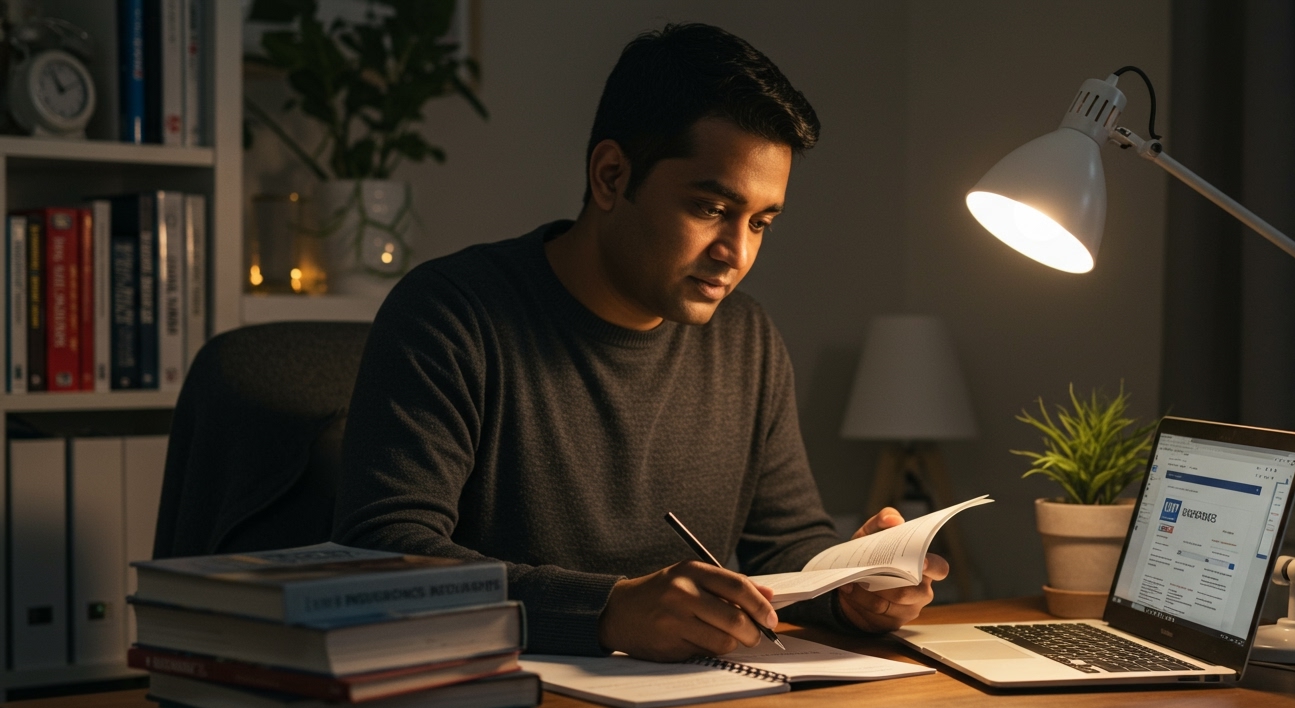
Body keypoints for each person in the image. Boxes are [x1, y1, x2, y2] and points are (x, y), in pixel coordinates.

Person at [333, 23, 947, 662]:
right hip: (493, 702)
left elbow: (786, 547)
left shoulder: (748, 341)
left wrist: (850, 590)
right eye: (710, 208)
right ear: (609, 176)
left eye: (761, 223)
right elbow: (383, 550)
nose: (736, 254)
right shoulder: (452, 314)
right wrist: (605, 610)